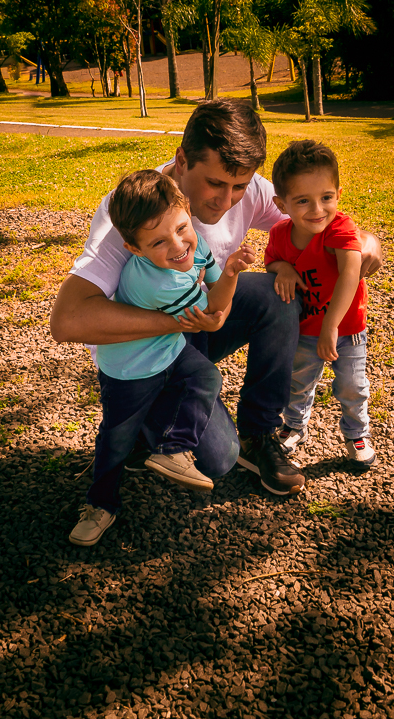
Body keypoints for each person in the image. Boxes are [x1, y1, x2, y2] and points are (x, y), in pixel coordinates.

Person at [50, 100, 383, 540]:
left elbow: (315, 217)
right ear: (182, 160)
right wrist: (178, 324)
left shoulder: (250, 189)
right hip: (150, 351)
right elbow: (68, 321)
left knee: (277, 292)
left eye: (239, 187)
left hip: (205, 316)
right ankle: (147, 421)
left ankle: (260, 434)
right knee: (217, 459)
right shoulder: (134, 213)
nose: (226, 201)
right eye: (214, 184)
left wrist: (364, 243)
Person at [70, 170, 256, 546]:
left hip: (168, 348)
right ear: (134, 250)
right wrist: (234, 271)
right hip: (130, 369)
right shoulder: (160, 283)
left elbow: (213, 284)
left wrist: (224, 276)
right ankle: (100, 503)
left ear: (187, 212)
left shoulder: (193, 241)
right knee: (116, 439)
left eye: (181, 228)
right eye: (158, 242)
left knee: (205, 378)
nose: (177, 246)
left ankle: (173, 448)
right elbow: (214, 314)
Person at [264, 140, 377, 468]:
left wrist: (331, 325)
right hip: (306, 329)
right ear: (282, 204)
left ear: (338, 194)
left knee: (351, 385)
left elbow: (350, 272)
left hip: (347, 329)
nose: (317, 210)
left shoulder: (340, 228)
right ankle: (295, 426)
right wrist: (282, 267)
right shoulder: (280, 234)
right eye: (303, 201)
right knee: (299, 381)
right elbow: (271, 261)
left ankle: (357, 433)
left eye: (326, 198)